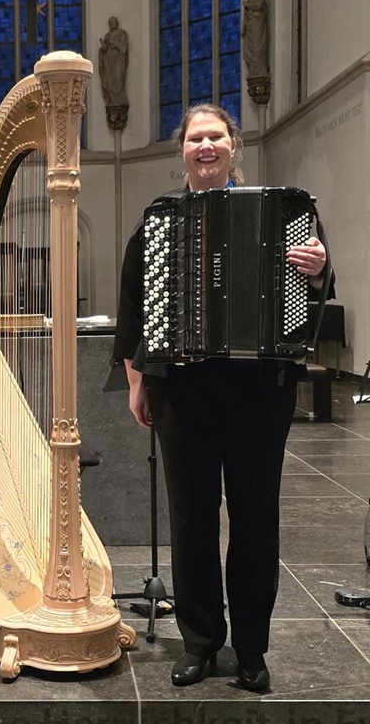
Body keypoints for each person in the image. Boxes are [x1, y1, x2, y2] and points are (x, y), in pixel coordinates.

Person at [113, 104, 330, 693]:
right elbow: (133, 306)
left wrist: (314, 271)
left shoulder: (287, 211)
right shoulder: (157, 219)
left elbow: (318, 291)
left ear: (234, 146)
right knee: (192, 517)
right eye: (194, 138)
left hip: (260, 390)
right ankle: (202, 641)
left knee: (256, 517)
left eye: (215, 137)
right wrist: (136, 381)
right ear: (181, 150)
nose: (205, 147)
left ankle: (252, 648)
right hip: (182, 390)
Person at [241, 0, 269, 79]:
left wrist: (248, 5)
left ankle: (260, 69)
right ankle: (253, 71)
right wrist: (244, 27)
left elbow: (260, 5)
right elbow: (246, 15)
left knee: (258, 47)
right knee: (251, 48)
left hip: (258, 26)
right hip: (250, 28)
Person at [98, 16, 129, 108]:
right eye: (110, 22)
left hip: (117, 61)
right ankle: (111, 101)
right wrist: (103, 48)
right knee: (108, 80)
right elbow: (104, 50)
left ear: (116, 23)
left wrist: (114, 43)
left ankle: (119, 100)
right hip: (108, 62)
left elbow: (124, 48)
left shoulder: (122, 34)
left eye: (113, 22)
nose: (112, 24)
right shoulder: (107, 36)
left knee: (118, 78)